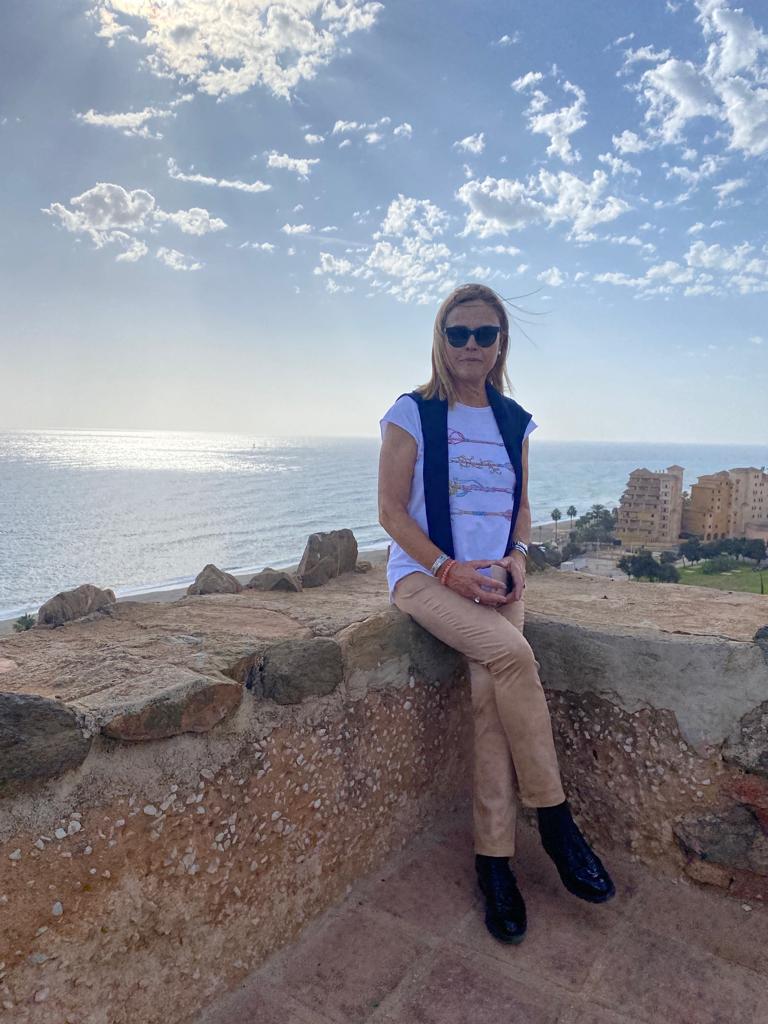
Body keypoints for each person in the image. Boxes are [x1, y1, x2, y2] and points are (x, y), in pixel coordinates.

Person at [377, 282, 615, 944]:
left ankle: (494, 865)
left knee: (490, 698)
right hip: (426, 580)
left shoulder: (514, 421)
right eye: (458, 333)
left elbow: (522, 508)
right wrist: (448, 570)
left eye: (485, 333)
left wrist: (518, 559)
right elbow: (391, 512)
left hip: (498, 583)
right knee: (511, 656)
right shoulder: (412, 413)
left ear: (500, 343)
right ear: (441, 339)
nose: (471, 345)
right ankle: (557, 822)